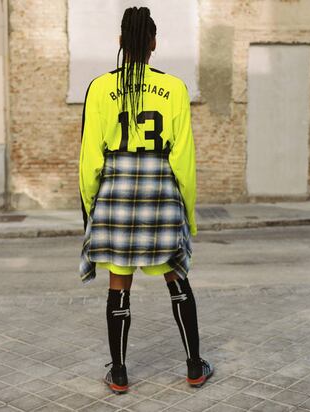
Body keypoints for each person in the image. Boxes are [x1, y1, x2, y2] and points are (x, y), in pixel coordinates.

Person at [78, 6, 214, 395]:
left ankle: (119, 373)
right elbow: (184, 159)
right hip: (161, 190)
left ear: (120, 41)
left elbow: (90, 159)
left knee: (118, 285)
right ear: (154, 43)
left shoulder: (99, 88)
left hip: (116, 190)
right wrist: (187, 211)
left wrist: (91, 209)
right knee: (179, 280)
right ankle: (193, 367)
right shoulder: (174, 88)